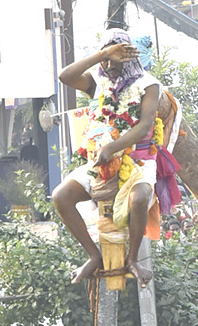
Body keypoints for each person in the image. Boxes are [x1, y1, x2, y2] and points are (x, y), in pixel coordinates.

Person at [54, 33, 164, 286]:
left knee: (139, 200)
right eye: (106, 60)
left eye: (115, 60)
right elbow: (65, 77)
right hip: (101, 162)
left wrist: (113, 147)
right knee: (61, 197)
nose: (109, 66)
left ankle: (133, 260)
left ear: (129, 57)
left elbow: (145, 123)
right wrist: (102, 55)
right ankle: (94, 256)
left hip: (137, 161)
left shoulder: (149, 84)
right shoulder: (97, 81)